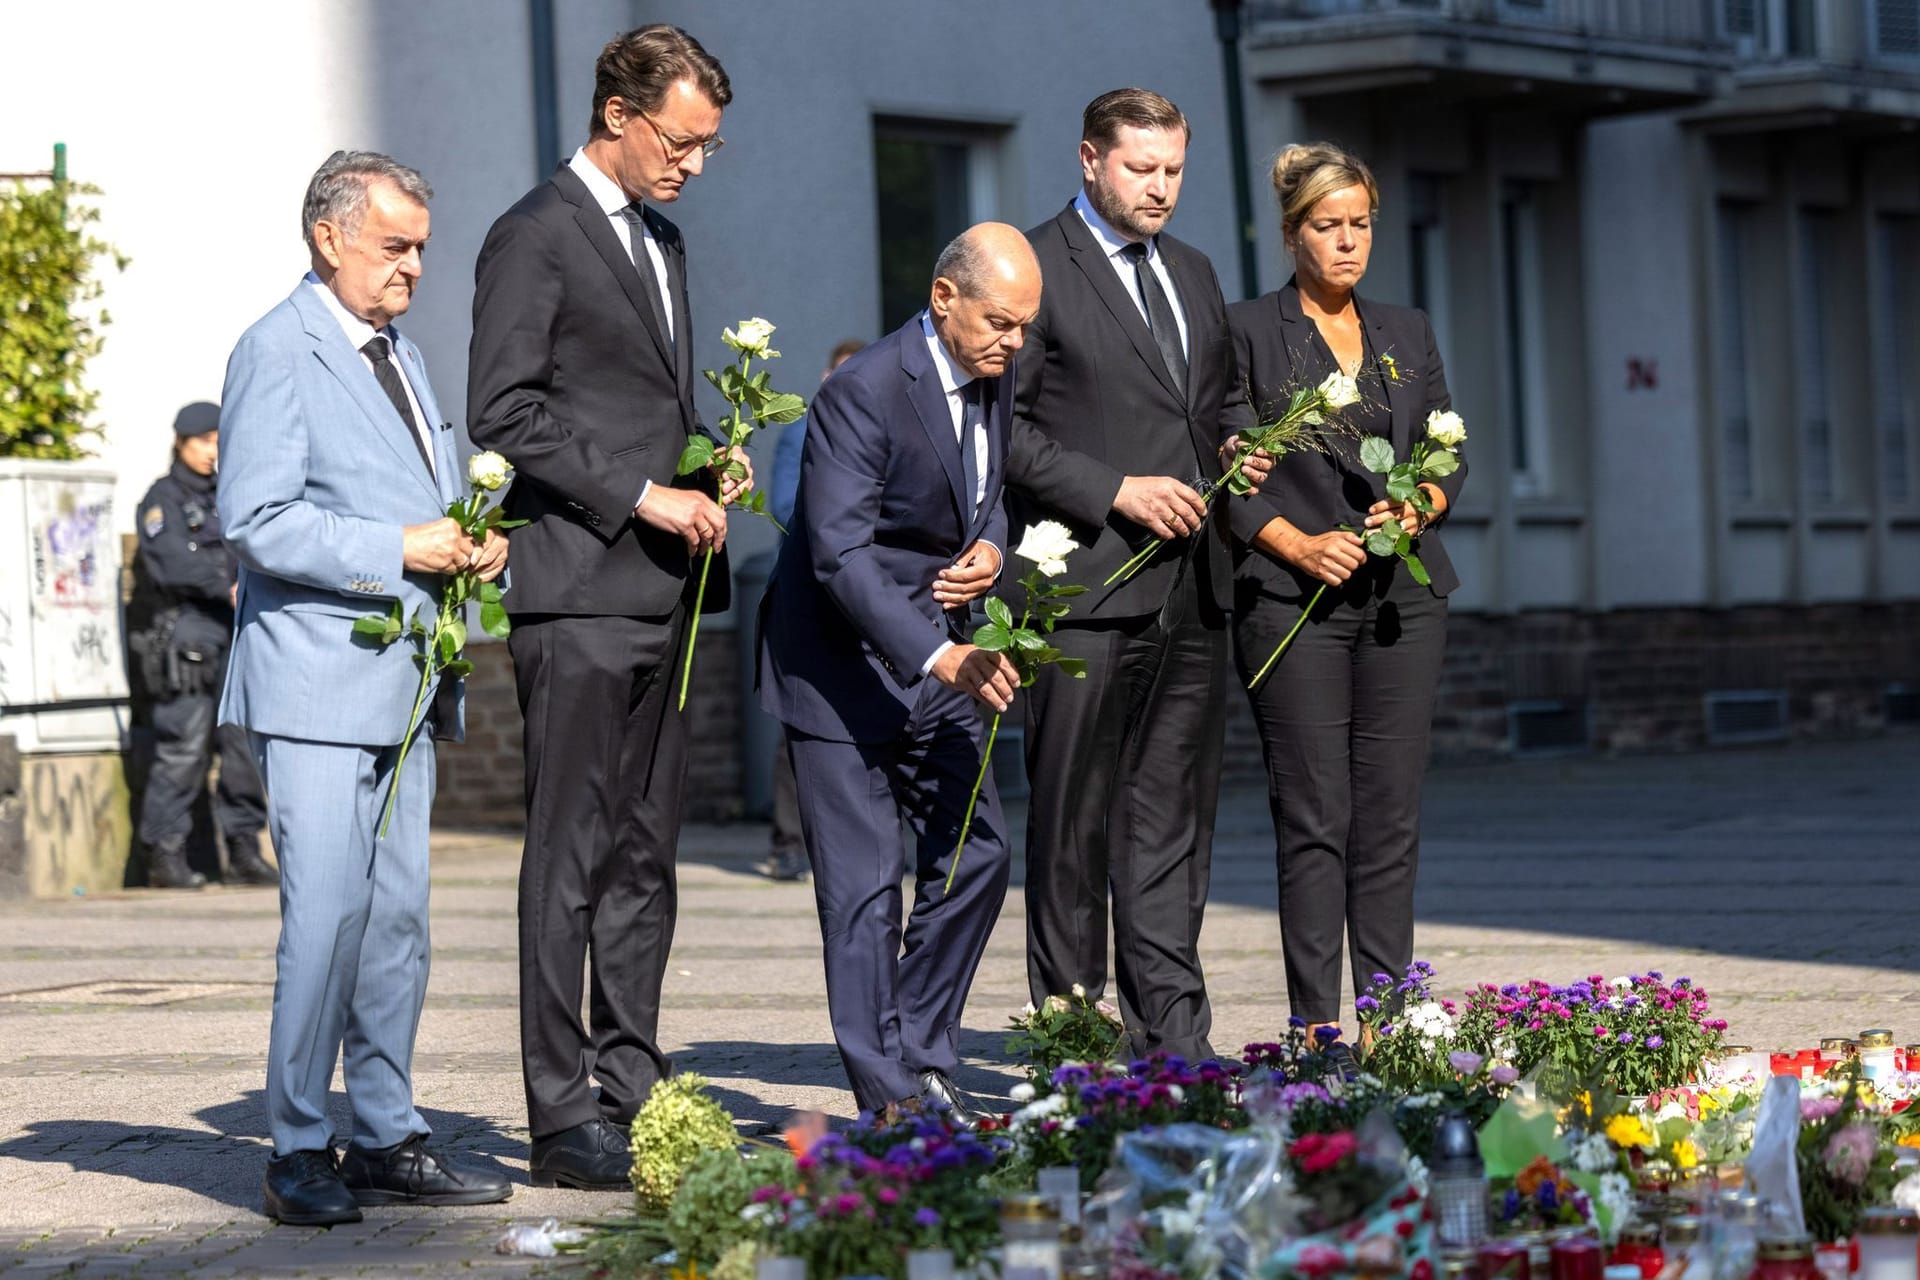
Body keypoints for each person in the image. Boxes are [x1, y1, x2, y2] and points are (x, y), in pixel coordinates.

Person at [467, 24, 747, 1191]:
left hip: (663, 590)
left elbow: (642, 398)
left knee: (645, 855)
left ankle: (633, 1078)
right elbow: (504, 406)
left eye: (709, 147)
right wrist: (642, 492)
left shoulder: (662, 236)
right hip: (577, 588)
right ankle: (558, 1105)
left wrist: (704, 461)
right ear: (620, 116)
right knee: (572, 852)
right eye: (682, 141)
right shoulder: (535, 233)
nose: (693, 163)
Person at [218, 150, 511, 1225]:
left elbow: (424, 495)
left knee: (397, 925)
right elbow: (254, 518)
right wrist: (402, 546)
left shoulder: (401, 353)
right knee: (328, 918)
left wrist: (473, 543)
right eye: (396, 246)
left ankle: (385, 1131)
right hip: (314, 684)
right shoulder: (276, 349)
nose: (414, 267)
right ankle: (298, 1142)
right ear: (329, 236)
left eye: (422, 247)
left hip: (404, 678)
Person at [1005, 88, 1268, 1060]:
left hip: (1196, 590)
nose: (1159, 188)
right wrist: (1116, 487)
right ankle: (1073, 1043)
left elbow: (1222, 401)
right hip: (1085, 588)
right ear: (1088, 159)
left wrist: (1245, 447)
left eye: (1172, 170)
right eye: (1140, 168)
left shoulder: (1195, 272)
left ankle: (1174, 1036)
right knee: (1071, 822)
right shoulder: (1033, 267)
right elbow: (1006, 433)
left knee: (1171, 822)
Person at [757, 224, 1038, 1121]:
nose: (1015, 342)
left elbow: (997, 491)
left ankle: (918, 1050)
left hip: (940, 653)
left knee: (978, 851)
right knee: (866, 890)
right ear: (943, 298)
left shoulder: (998, 372)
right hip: (840, 665)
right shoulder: (863, 390)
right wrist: (941, 653)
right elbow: (838, 555)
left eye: (1027, 326)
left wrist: (993, 546)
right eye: (1002, 321)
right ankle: (891, 1099)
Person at [1224, 142, 1468, 1051]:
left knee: (1390, 815)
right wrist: (1295, 544)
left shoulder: (1406, 330)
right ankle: (1316, 1024)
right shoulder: (1248, 330)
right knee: (1315, 813)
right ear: (1292, 234)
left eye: (1360, 225)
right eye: (1328, 227)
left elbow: (1451, 450)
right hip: (1294, 605)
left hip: (1403, 599)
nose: (1348, 243)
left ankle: (1391, 1021)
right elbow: (1230, 466)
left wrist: (1423, 500)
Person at [129, 402, 274, 890]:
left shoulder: (234, 494)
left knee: (243, 748)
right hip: (187, 638)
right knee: (184, 750)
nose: (213, 451)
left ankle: (244, 851)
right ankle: (164, 855)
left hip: (237, 635)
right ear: (181, 442)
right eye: (204, 441)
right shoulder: (161, 499)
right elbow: (170, 562)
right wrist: (225, 586)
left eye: (219, 440)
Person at [759, 336, 864, 883]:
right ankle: (787, 842)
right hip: (810, 592)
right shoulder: (799, 430)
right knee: (797, 717)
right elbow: (781, 506)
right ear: (826, 381)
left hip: (870, 592)